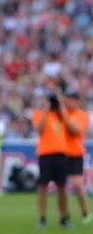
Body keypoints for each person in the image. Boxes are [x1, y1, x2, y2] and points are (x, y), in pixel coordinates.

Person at [33, 86, 81, 228]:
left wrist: (62, 111)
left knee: (62, 187)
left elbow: (74, 131)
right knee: (43, 186)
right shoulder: (39, 113)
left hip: (61, 154)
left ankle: (63, 217)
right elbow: (39, 130)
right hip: (45, 154)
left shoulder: (62, 115)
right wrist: (46, 110)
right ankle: (42, 217)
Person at [63, 89, 92, 225]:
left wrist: (63, 117)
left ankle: (85, 211)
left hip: (75, 154)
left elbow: (75, 131)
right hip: (61, 153)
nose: (67, 102)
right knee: (62, 187)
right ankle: (64, 215)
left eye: (69, 99)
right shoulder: (61, 114)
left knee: (77, 185)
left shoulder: (81, 115)